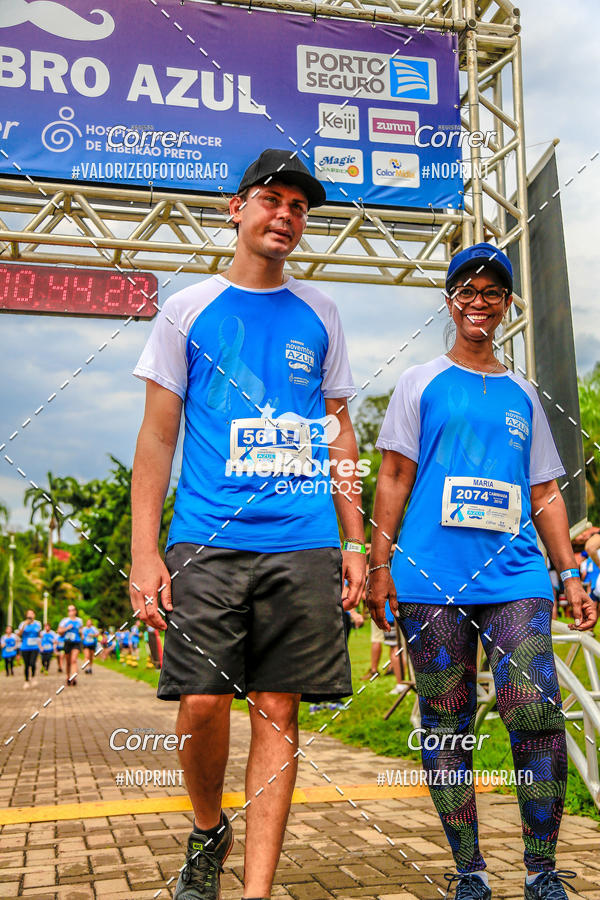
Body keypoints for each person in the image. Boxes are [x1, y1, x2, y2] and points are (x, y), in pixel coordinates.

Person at [130, 148, 365, 900]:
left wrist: (355, 540)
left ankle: (256, 891)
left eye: (299, 207)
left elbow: (342, 434)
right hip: (206, 537)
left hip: (304, 543)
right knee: (200, 701)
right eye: (272, 199)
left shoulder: (322, 314)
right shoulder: (187, 308)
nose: (286, 215)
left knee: (278, 707)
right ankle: (207, 829)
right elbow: (157, 436)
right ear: (236, 208)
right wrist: (145, 551)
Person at [367, 242, 597, 900]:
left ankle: (542, 872)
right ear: (449, 300)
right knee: (447, 720)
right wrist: (378, 564)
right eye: (467, 290)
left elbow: (546, 491)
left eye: (492, 291)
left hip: (516, 577)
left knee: (534, 713)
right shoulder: (420, 382)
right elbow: (394, 476)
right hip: (430, 577)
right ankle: (470, 873)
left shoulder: (523, 394)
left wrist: (570, 574)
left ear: (506, 306)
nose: (479, 300)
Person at [58, 604, 83, 686]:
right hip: (68, 642)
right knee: (68, 662)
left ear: (75, 611)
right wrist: (66, 628)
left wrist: (81, 633)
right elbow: (59, 631)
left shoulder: (79, 620)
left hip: (76, 642)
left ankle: (74, 677)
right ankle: (68, 676)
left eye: (72, 610)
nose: (71, 612)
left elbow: (81, 630)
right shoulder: (64, 621)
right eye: (69, 610)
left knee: (74, 660)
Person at [17, 608, 42, 688]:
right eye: (29, 613)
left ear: (34, 615)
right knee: (26, 664)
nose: (30, 615)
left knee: (32, 663)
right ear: (26, 615)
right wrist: (25, 624)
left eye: (32, 613)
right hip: (25, 647)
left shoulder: (38, 623)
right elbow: (19, 634)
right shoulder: (22, 624)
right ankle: (26, 680)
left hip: (34, 647)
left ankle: (34, 677)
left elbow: (39, 634)